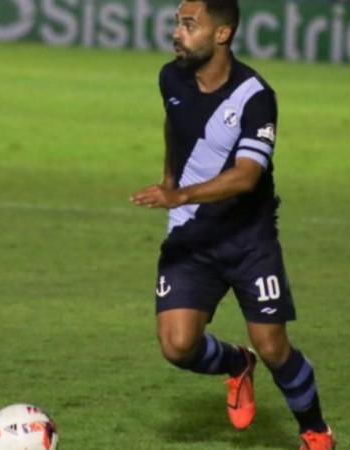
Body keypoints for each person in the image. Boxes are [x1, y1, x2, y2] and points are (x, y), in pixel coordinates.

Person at [129, 1, 334, 449]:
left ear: (221, 34)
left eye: (188, 24)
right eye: (177, 23)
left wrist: (178, 194)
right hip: (191, 234)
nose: (176, 33)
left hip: (248, 241)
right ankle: (235, 364)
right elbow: (175, 122)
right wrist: (169, 178)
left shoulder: (255, 97)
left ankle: (316, 432)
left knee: (274, 346)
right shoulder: (171, 78)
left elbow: (247, 176)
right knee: (177, 346)